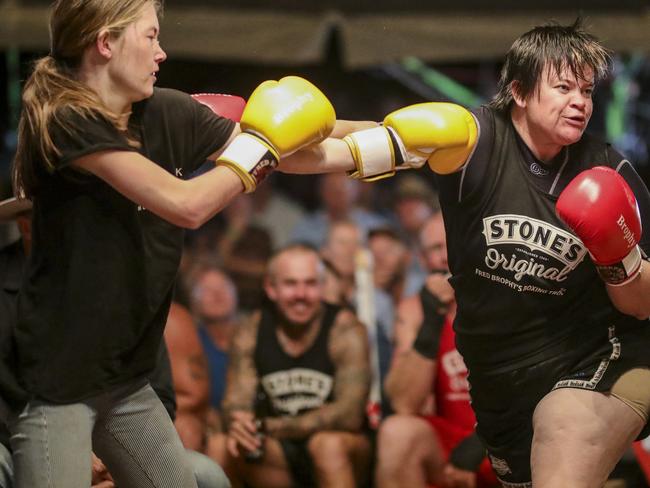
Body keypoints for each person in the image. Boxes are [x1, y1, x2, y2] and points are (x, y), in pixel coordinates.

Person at [7, 1, 374, 486]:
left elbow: (291, 149)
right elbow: (186, 204)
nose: (161, 52)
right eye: (151, 37)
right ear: (105, 43)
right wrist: (263, 149)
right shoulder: (65, 120)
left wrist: (393, 140)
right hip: (58, 381)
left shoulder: (167, 111)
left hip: (126, 378)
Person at [338, 19, 650, 487]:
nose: (580, 102)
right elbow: (353, 145)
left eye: (586, 91)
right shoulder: (473, 142)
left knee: (561, 431)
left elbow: (641, 303)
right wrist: (253, 146)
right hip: (501, 380)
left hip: (600, 354)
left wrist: (620, 256)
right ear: (520, 91)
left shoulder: (609, 170)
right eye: (564, 87)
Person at [211, 244, 372, 488]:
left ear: (322, 286)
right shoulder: (250, 330)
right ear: (271, 288)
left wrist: (267, 426)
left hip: (342, 450)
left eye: (310, 283)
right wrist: (240, 422)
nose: (301, 294)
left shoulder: (346, 329)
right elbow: (237, 402)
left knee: (326, 445)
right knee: (220, 445)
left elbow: (349, 415)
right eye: (290, 284)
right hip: (279, 451)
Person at [375, 213, 498, 488]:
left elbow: (534, 389)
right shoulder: (414, 311)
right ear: (422, 260)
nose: (446, 257)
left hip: (507, 437)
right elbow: (404, 403)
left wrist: (483, 442)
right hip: (448, 443)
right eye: (435, 249)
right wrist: (432, 319)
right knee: (397, 432)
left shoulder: (505, 299)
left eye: (453, 244)